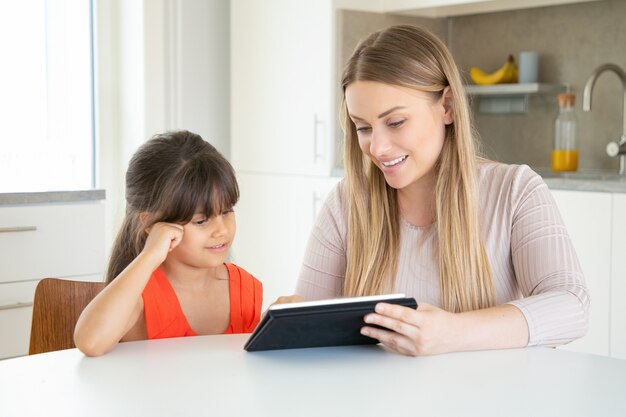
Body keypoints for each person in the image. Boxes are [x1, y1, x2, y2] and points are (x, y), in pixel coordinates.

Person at [291, 25, 589, 356]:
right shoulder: (346, 204)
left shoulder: (515, 191)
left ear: (446, 106)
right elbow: (308, 325)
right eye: (363, 127)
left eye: (395, 122)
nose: (377, 147)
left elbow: (571, 306)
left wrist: (453, 333)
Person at [74, 130, 262, 356]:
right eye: (201, 221)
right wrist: (149, 255)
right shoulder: (140, 295)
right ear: (151, 224)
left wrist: (277, 327)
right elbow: (91, 342)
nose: (221, 230)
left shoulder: (245, 288)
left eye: (227, 211)